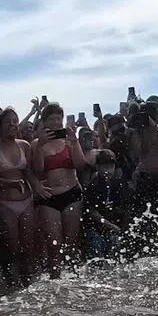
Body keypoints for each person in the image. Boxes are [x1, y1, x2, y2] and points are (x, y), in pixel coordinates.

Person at [30, 102, 95, 277]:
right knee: (53, 244)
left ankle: (72, 279)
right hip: (49, 197)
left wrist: (74, 143)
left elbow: (80, 165)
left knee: (71, 242)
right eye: (51, 119)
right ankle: (55, 278)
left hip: (72, 192)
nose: (56, 122)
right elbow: (37, 170)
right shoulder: (37, 143)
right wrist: (40, 146)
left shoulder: (69, 140)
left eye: (59, 118)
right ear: (44, 122)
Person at [0, 108, 39, 284]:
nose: (12, 124)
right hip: (4, 202)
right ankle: (12, 281)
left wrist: (38, 187)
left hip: (26, 200)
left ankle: (27, 283)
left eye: (15, 120)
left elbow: (29, 172)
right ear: (0, 125)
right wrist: (11, 183)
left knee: (28, 244)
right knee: (12, 245)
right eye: (8, 121)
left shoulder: (24, 145)